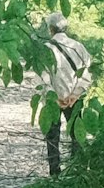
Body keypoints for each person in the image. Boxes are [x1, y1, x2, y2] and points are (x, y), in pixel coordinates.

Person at [35, 14, 93, 175]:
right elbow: (87, 72)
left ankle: (55, 171)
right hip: (74, 98)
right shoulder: (78, 47)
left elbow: (42, 77)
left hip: (54, 100)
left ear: (50, 29)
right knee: (77, 134)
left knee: (52, 136)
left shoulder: (45, 49)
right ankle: (77, 169)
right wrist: (75, 94)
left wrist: (53, 95)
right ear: (66, 28)